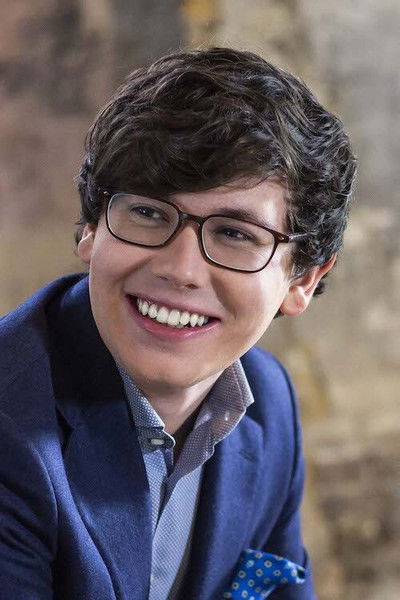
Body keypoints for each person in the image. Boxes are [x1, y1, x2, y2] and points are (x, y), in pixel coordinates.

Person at [0, 47, 356, 599]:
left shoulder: (270, 402)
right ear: (91, 228)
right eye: (147, 212)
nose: (181, 269)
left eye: (235, 234)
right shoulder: (9, 428)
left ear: (303, 280)